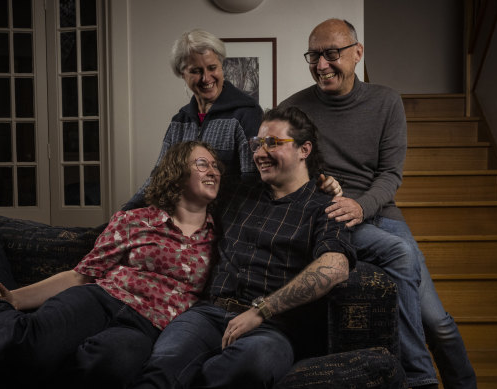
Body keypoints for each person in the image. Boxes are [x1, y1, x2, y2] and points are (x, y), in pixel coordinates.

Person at [279, 18, 477, 389]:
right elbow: (284, 171)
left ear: (357, 53)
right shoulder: (293, 110)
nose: (321, 65)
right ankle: (420, 381)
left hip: (380, 214)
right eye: (314, 56)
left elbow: (390, 175)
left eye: (332, 54)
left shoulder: (386, 101)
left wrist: (361, 206)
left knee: (437, 321)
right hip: (328, 218)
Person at [0, 141, 222, 388]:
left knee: (111, 365)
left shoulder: (221, 237)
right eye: (202, 164)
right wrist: (14, 299)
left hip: (145, 326)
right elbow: (81, 276)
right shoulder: (135, 220)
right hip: (101, 299)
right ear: (177, 172)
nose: (213, 171)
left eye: (215, 166)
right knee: (24, 345)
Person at [130, 106, 356, 389]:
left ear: (304, 149)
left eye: (272, 143)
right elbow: (178, 190)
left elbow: (335, 266)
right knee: (164, 364)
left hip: (274, 329)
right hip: (208, 315)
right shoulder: (236, 192)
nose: (260, 153)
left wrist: (262, 310)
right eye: (257, 144)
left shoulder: (326, 208)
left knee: (249, 366)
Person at [123, 28, 263, 211]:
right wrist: (124, 212)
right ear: (183, 74)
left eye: (212, 68)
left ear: (221, 66)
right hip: (180, 218)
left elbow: (252, 181)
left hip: (227, 221)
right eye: (196, 71)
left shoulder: (247, 113)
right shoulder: (179, 121)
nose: (206, 78)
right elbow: (158, 177)